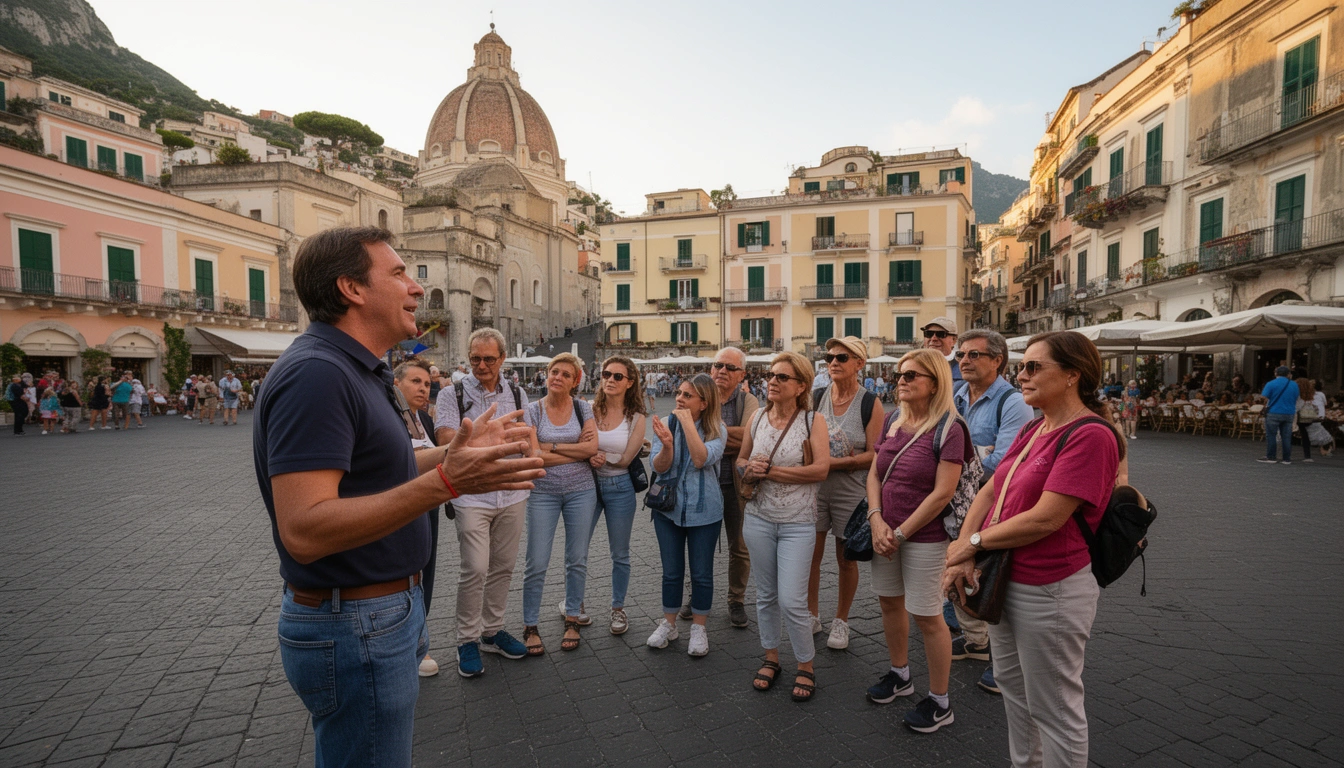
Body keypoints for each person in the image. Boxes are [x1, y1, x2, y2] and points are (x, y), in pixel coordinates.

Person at [253, 225, 544, 767]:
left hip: (378, 615)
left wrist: (456, 452)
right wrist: (449, 484)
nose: (415, 287)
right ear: (352, 289)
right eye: (399, 273)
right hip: (356, 622)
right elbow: (305, 527)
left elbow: (376, 469)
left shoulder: (356, 370)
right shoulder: (318, 373)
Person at [942, 330, 1124, 767]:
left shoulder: (1092, 435)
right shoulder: (1035, 426)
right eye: (1022, 366)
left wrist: (971, 543)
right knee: (1013, 687)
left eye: (1033, 367)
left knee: (1055, 706)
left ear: (1072, 376)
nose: (1021, 374)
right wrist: (965, 550)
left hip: (1052, 588)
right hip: (1009, 578)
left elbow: (1048, 517)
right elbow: (988, 492)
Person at [862, 348, 965, 732]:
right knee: (890, 604)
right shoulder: (892, 421)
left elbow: (943, 493)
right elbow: (874, 476)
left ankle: (941, 700)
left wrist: (902, 532)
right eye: (900, 374)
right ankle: (900, 674)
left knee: (927, 616)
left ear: (935, 383)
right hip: (884, 532)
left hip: (925, 538)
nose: (901, 381)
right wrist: (876, 520)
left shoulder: (950, 428)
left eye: (911, 376)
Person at [434, 328, 534, 676]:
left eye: (489, 359)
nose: (481, 365)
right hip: (472, 493)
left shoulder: (519, 394)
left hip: (512, 491)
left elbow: (527, 436)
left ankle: (491, 631)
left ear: (502, 359)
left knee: (504, 566)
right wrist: (483, 436)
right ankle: (466, 640)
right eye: (475, 358)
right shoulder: (452, 394)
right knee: (475, 567)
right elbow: (448, 442)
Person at [737, 352, 829, 702]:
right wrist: (748, 467)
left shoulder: (812, 420)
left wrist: (771, 472)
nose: (772, 381)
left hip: (798, 524)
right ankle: (771, 657)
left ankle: (805, 664)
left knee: (792, 600)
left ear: (801, 386)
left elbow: (820, 470)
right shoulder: (758, 417)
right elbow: (742, 460)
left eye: (782, 377)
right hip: (758, 519)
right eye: (770, 375)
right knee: (766, 596)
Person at [950, 328, 1034, 695]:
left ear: (997, 360)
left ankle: (1005, 663)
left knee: (994, 575)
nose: (963, 361)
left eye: (973, 355)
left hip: (994, 501)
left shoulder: (1013, 402)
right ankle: (976, 642)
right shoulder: (958, 394)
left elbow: (1006, 459)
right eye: (961, 355)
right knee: (960, 568)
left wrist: (954, 472)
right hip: (961, 499)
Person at [808, 336, 883, 651]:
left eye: (842, 357)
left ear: (859, 364)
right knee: (809, 555)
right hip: (815, 487)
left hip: (850, 489)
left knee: (845, 558)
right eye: (830, 357)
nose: (834, 362)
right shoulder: (816, 397)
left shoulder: (870, 403)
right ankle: (811, 613)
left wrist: (840, 462)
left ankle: (841, 619)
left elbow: (876, 455)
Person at [521, 353, 599, 655]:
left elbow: (592, 447)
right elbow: (533, 456)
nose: (558, 377)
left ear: (575, 381)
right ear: (546, 374)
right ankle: (530, 624)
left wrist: (551, 446)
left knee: (576, 559)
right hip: (543, 492)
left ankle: (572, 619)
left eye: (566, 374)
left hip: (582, 490)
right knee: (536, 562)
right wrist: (573, 449)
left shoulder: (583, 407)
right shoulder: (532, 410)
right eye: (554, 371)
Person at [646, 373, 727, 656]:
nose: (679, 399)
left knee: (702, 574)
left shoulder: (718, 429)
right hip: (668, 510)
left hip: (705, 512)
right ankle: (669, 623)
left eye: (687, 396)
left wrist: (687, 424)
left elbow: (700, 458)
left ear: (704, 403)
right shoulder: (668, 423)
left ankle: (699, 628)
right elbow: (659, 466)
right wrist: (667, 444)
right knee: (671, 572)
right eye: (679, 393)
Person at [679, 347, 759, 628]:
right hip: (703, 485)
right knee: (700, 546)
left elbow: (752, 435)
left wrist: (714, 438)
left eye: (730, 367)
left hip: (737, 486)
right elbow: (691, 437)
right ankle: (695, 597)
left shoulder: (748, 401)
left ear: (742, 375)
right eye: (718, 365)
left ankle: (736, 600)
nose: (722, 371)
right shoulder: (699, 397)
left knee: (740, 547)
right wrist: (727, 438)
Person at [587, 355, 647, 636]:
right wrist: (590, 457)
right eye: (606, 374)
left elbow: (625, 459)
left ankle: (618, 608)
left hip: (620, 488)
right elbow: (576, 446)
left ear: (629, 383)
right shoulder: (587, 411)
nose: (610, 380)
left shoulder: (637, 418)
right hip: (586, 486)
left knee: (620, 554)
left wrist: (600, 456)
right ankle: (575, 604)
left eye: (617, 377)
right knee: (577, 550)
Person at [393, 359, 445, 677]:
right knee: (405, 575)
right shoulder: (391, 420)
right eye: (415, 381)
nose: (423, 389)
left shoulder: (423, 417)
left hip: (430, 503)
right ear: (396, 384)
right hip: (403, 506)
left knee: (427, 572)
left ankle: (418, 641)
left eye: (427, 384)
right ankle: (404, 645)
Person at [1258, 366, 1299, 464]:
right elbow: (1296, 397)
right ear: (1288, 374)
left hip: (1274, 412)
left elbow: (1264, 397)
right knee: (1286, 436)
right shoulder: (1294, 385)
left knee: (1271, 435)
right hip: (1289, 412)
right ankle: (1286, 458)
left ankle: (1271, 456)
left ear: (1276, 373)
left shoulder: (1271, 384)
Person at [922, 316, 962, 384]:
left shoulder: (963, 368)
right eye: (929, 334)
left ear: (954, 340)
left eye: (940, 334)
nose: (933, 339)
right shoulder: (914, 364)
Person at [1295, 377, 1319, 464]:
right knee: (1305, 436)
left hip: (1300, 417)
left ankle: (1285, 454)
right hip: (1308, 417)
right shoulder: (1311, 394)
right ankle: (1307, 455)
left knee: (1289, 433)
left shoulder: (1299, 395)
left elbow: (1298, 406)